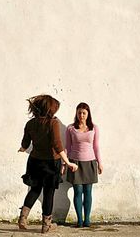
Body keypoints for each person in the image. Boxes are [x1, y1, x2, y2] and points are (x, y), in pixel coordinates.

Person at [18, 94, 78, 233]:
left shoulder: (30, 123)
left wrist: (21, 149)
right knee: (48, 193)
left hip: (34, 162)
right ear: (49, 108)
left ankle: (23, 217)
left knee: (34, 189)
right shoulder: (53, 123)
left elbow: (25, 144)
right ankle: (46, 225)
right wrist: (68, 162)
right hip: (51, 162)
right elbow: (57, 145)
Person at [63, 102, 103, 227]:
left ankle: (87, 219)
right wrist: (64, 164)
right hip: (75, 163)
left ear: (88, 114)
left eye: (84, 113)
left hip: (90, 162)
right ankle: (79, 220)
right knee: (78, 191)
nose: (81, 115)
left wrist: (100, 163)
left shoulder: (94, 128)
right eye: (79, 112)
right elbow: (67, 147)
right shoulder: (70, 128)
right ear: (76, 113)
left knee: (88, 191)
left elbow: (96, 147)